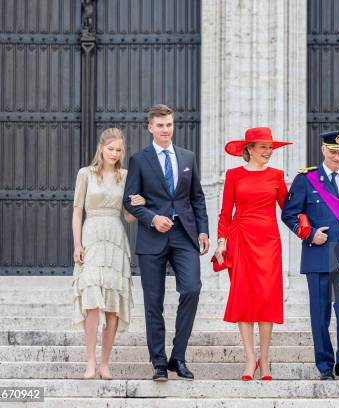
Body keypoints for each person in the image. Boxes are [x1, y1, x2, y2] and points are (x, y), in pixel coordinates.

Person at [123, 104, 210, 382]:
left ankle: (178, 357)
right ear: (150, 127)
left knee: (192, 289)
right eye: (160, 125)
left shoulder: (187, 157)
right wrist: (151, 218)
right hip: (152, 238)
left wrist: (204, 231)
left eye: (169, 125)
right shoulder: (139, 159)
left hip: (184, 235)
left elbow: (196, 197)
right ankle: (159, 362)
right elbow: (130, 200)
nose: (165, 130)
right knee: (153, 302)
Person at [282, 131, 339, 380]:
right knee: (320, 311)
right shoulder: (306, 179)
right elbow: (289, 214)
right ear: (323, 150)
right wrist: (309, 235)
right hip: (318, 253)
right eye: (333, 152)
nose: (337, 157)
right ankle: (324, 364)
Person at [214, 127, 292, 381]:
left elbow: (288, 210)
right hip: (240, 241)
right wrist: (221, 241)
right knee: (244, 299)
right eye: (263, 147)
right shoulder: (234, 175)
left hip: (269, 242)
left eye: (270, 147)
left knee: (267, 299)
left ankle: (265, 359)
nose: (269, 151)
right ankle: (250, 359)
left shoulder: (277, 176)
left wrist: (307, 226)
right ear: (249, 149)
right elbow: (225, 213)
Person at [72, 127, 145, 380]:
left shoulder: (125, 176)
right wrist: (77, 244)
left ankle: (105, 363)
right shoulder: (86, 174)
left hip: (115, 237)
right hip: (92, 235)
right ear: (101, 148)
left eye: (118, 150)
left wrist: (139, 207)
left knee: (112, 305)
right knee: (92, 302)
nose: (114, 153)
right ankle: (90, 361)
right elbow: (77, 211)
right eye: (110, 149)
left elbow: (126, 216)